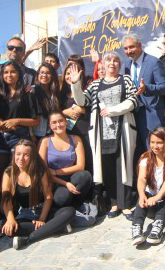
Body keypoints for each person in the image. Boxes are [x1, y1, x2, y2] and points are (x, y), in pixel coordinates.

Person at [70, 51, 138, 219]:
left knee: (124, 166)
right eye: (109, 61)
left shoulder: (125, 80)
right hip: (102, 134)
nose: (112, 64)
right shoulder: (95, 84)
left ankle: (127, 205)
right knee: (107, 168)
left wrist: (112, 111)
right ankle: (114, 204)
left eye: (115, 61)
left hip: (122, 130)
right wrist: (75, 84)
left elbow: (133, 100)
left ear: (119, 64)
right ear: (104, 65)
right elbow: (81, 101)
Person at [0, 60, 40, 237]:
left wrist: (16, 121)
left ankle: (19, 214)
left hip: (19, 137)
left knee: (16, 175)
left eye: (12, 72)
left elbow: (35, 120)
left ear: (19, 74)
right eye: (6, 73)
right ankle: (2, 217)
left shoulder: (27, 93)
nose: (9, 75)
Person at [0, 139, 75, 250]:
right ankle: (57, 227)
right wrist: (10, 219)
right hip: (25, 214)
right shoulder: (8, 173)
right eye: (18, 154)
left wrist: (41, 219)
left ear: (32, 157)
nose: (21, 158)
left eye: (26, 155)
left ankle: (28, 239)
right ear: (14, 154)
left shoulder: (40, 171)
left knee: (69, 212)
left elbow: (48, 197)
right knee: (10, 230)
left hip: (44, 211)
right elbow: (6, 199)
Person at [131, 126, 165, 246]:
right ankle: (137, 227)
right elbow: (142, 178)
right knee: (143, 196)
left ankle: (157, 227)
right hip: (150, 204)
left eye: (159, 142)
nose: (155, 146)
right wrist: (142, 194)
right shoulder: (146, 157)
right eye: (152, 142)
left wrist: (158, 197)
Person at [122, 33, 165, 157]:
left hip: (152, 114)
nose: (129, 51)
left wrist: (146, 88)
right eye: (126, 48)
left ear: (139, 46)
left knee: (156, 150)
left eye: (131, 47)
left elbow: (164, 87)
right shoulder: (127, 64)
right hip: (134, 114)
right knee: (140, 152)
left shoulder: (153, 62)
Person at [38, 112, 92, 208]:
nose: (58, 125)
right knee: (62, 198)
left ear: (66, 122)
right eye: (54, 122)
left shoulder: (76, 139)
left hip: (72, 177)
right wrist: (66, 184)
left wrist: (56, 171)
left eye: (61, 121)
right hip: (54, 181)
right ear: (50, 125)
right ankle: (66, 209)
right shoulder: (45, 141)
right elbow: (44, 171)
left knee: (85, 176)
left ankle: (77, 204)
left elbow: (80, 166)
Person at [60, 55, 93, 173]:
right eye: (67, 74)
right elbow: (53, 112)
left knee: (88, 161)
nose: (70, 76)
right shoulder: (60, 94)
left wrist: (84, 110)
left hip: (85, 132)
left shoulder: (87, 89)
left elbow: (97, 108)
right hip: (68, 133)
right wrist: (64, 112)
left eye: (73, 73)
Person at [32, 63, 62, 139]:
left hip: (53, 133)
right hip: (36, 134)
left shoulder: (55, 93)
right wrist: (31, 134)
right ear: (38, 74)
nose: (44, 75)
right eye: (42, 72)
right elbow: (28, 114)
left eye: (48, 73)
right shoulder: (32, 91)